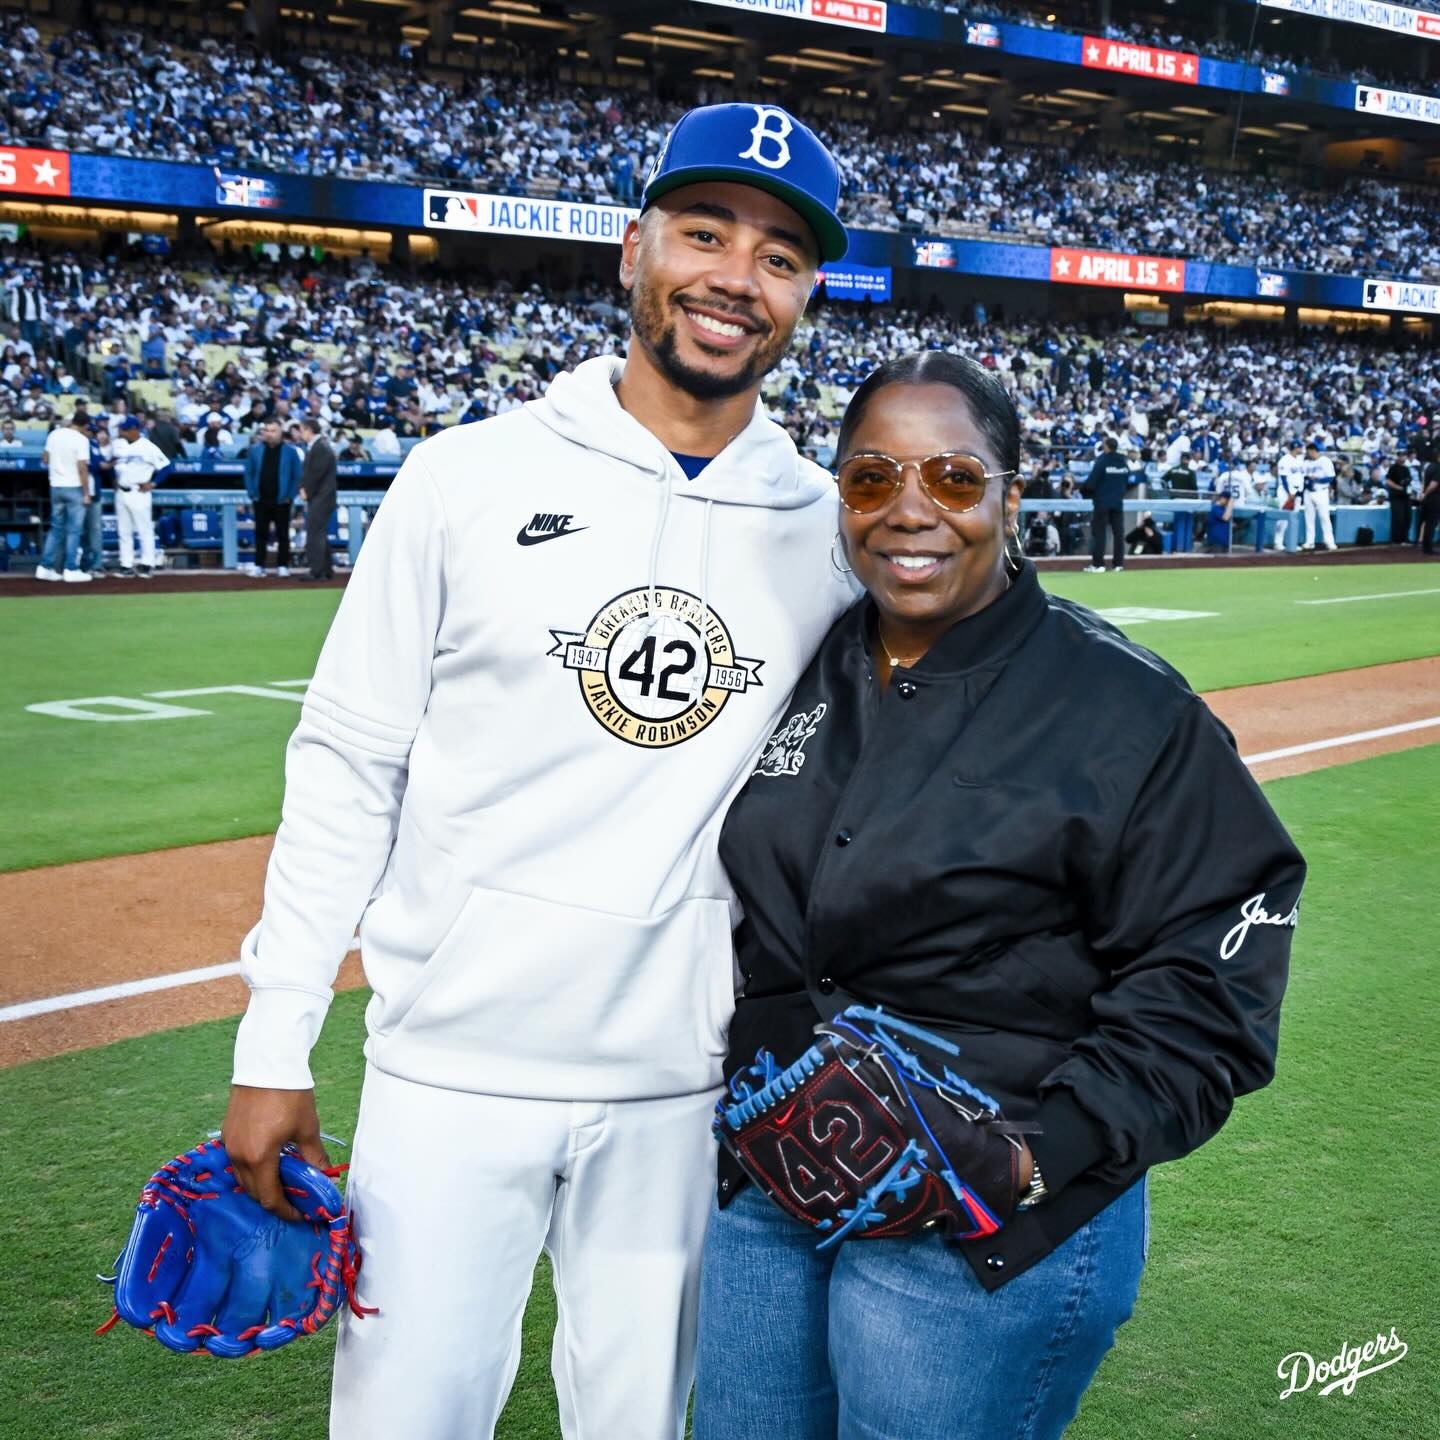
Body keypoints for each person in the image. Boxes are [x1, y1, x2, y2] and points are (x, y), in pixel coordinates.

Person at [220, 103, 857, 1440]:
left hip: (681, 1094)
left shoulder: (828, 531)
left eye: (782, 255)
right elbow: (349, 762)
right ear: (634, 250)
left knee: (640, 1427)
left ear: (807, 293)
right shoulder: (466, 479)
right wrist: (275, 1040)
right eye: (704, 232)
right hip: (447, 1077)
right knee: (407, 1421)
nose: (738, 277)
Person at [693, 351, 1304, 1440]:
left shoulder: (1124, 705)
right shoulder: (807, 658)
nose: (910, 510)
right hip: (773, 1186)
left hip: (979, 1231)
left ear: (1011, 496)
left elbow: (1217, 970)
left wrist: (1034, 1158)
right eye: (872, 479)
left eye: (956, 480)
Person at [112, 415, 174, 578]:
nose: (123, 432)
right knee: (124, 531)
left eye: (125, 430)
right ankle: (126, 565)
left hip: (138, 492)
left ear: (134, 429)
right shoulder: (122, 446)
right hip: (121, 492)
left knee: (144, 530)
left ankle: (147, 564)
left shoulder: (147, 446)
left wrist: (153, 484)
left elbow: (167, 467)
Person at [35, 414, 92, 582]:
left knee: (55, 528)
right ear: (84, 425)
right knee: (74, 530)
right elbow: (82, 468)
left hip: (55, 487)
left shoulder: (55, 434)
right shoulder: (81, 440)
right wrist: (87, 493)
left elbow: (45, 459)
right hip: (73, 487)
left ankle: (45, 567)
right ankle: (70, 568)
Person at [243, 418, 302, 576]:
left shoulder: (291, 451)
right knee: (260, 533)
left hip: (282, 500)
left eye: (273, 430)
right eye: (266, 430)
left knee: (283, 534)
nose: (269, 434)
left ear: (280, 432)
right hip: (261, 499)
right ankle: (259, 565)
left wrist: (290, 496)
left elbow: (297, 476)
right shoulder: (254, 450)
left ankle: (283, 566)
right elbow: (248, 473)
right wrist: (252, 493)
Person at [1081, 436, 1139, 572]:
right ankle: (1118, 564)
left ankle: (1098, 564)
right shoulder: (1123, 461)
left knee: (1100, 533)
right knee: (1118, 534)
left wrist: (1085, 492)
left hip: (1102, 502)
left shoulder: (1102, 460)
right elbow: (1129, 481)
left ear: (1106, 446)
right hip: (1117, 502)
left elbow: (1091, 483)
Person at [296, 417, 337, 581]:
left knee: (315, 533)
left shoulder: (320, 447)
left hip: (321, 496)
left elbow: (316, 473)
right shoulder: (319, 446)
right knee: (319, 532)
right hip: (322, 496)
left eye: (302, 430)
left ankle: (317, 570)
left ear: (309, 430)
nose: (300, 434)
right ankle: (326, 569)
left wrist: (306, 490)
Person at [79, 417, 115, 577]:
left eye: (94, 432)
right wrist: (104, 465)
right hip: (79, 492)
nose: (92, 434)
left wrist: (110, 464)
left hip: (95, 493)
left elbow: (101, 464)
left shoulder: (93, 444)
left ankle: (96, 565)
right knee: (79, 531)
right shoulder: (78, 444)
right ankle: (79, 565)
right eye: (90, 431)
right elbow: (93, 465)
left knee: (94, 531)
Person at [1300, 440, 1338, 552]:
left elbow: (1331, 477)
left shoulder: (1325, 461)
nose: (1308, 454)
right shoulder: (1306, 463)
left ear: (1313, 451)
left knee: (1324, 517)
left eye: (1309, 452)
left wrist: (1318, 479)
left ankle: (1330, 542)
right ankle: (1309, 542)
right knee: (1309, 518)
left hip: (1321, 491)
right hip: (1308, 492)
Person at [1272, 439, 1305, 551]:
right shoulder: (1284, 460)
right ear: (1296, 448)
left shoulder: (1300, 459)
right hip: (1286, 492)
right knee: (1283, 518)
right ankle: (1278, 542)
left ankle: (1291, 543)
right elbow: (1283, 478)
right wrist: (1289, 493)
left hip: (1297, 492)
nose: (1301, 449)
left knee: (1293, 518)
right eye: (1300, 447)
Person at [1384, 452, 1412, 547]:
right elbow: (1388, 480)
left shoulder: (1406, 468)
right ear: (1398, 457)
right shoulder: (1393, 468)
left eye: (1404, 455)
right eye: (1401, 456)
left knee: (1407, 517)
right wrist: (1398, 487)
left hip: (1406, 496)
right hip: (1396, 497)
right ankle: (1396, 540)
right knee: (1398, 518)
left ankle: (1405, 538)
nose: (1403, 457)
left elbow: (1408, 481)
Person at [1419, 447, 1440, 556]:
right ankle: (1428, 548)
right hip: (1435, 498)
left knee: (1427, 523)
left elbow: (1423, 481)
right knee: (1432, 523)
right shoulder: (1438, 468)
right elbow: (1433, 484)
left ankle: (1426, 546)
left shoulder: (1429, 467)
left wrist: (1422, 494)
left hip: (1427, 499)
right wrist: (1426, 493)